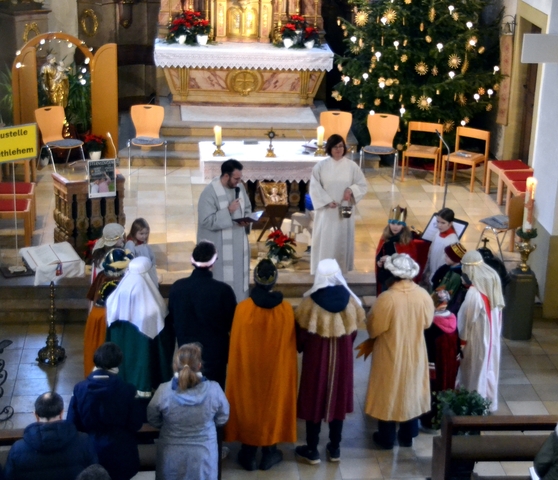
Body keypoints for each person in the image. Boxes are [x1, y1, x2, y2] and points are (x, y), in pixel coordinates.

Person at [225, 259, 297, 471]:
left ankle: (248, 452)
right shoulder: (285, 310)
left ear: (254, 280)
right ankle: (269, 451)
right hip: (275, 372)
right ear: (274, 281)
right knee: (273, 403)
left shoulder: (243, 309)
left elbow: (236, 342)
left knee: (248, 402)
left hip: (249, 370)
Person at [294, 258, 366, 464]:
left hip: (316, 361)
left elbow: (301, 339)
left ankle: (311, 449)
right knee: (337, 400)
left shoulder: (309, 304)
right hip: (342, 361)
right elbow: (352, 335)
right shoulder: (350, 301)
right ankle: (335, 448)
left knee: (313, 399)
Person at [365, 254, 434, 449]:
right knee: (410, 390)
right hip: (415, 352)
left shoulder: (387, 298)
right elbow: (428, 322)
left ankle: (386, 438)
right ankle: (408, 435)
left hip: (390, 353)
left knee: (389, 392)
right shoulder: (422, 295)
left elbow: (374, 327)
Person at [147, 343, 229, 480]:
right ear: (199, 366)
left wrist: (168, 425)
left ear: (175, 366)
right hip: (204, 454)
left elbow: (152, 417)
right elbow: (223, 418)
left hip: (170, 453)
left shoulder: (163, 391)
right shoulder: (214, 390)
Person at [68, 343, 144, 480]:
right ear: (118, 363)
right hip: (121, 453)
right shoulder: (128, 390)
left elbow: (72, 423)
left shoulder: (79, 389)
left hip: (90, 451)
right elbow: (136, 423)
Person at [167, 240, 236, 389]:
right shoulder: (223, 291)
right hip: (215, 358)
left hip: (186, 356)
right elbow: (233, 323)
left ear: (192, 260)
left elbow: (172, 318)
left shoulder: (177, 288)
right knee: (213, 396)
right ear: (213, 262)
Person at [106, 256, 175, 397]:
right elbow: (163, 344)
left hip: (119, 368)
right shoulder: (153, 308)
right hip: (143, 370)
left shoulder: (114, 300)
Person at [4, 392, 97, 480]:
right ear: (61, 413)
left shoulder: (17, 449)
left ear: (36, 415)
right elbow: (96, 474)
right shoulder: (84, 442)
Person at [309, 134, 368, 274]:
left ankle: (341, 270)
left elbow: (362, 185)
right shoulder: (321, 166)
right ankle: (323, 270)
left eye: (341, 146)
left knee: (342, 239)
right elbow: (314, 187)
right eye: (335, 146)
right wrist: (327, 201)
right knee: (327, 241)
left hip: (345, 208)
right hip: (326, 212)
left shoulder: (352, 166)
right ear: (329, 148)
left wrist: (351, 190)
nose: (338, 149)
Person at [456, 250, 505, 411]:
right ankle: (488, 402)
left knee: (474, 370)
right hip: (491, 334)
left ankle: (473, 403)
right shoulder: (492, 280)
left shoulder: (474, 293)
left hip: (477, 337)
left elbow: (465, 319)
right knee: (489, 366)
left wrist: (461, 341)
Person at [197, 159, 251, 301]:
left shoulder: (240, 189)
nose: (238, 182)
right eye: (236, 178)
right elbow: (206, 221)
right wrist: (228, 211)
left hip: (238, 247)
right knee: (220, 284)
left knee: (239, 283)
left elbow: (247, 208)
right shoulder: (209, 193)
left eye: (240, 178)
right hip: (219, 249)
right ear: (226, 176)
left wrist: (246, 219)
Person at [83, 248, 133, 377]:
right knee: (105, 351)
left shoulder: (101, 275)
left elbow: (91, 296)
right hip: (106, 317)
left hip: (95, 315)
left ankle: (92, 379)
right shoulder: (117, 281)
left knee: (93, 348)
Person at [420, 290, 460, 430]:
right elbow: (457, 344)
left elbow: (428, 349)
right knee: (448, 388)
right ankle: (445, 420)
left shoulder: (430, 324)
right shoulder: (453, 318)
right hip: (450, 364)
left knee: (433, 392)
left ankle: (430, 422)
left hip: (435, 366)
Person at [376, 205, 419, 295]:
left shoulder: (407, 240)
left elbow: (408, 262)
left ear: (403, 225)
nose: (395, 227)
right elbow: (380, 252)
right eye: (393, 223)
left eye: (398, 224)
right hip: (386, 275)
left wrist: (390, 258)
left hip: (399, 278)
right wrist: (379, 261)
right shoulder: (385, 236)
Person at [431, 242, 467, 314]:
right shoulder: (445, 268)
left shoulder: (456, 275)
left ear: (455, 258)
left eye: (447, 256)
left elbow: (448, 295)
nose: (445, 257)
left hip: (441, 307)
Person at [426, 208, 459, 284]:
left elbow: (451, 262)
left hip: (441, 276)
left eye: (443, 223)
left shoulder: (452, 241)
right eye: (437, 222)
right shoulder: (438, 233)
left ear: (450, 224)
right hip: (433, 270)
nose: (439, 225)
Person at [125, 217, 158, 285]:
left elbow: (151, 257)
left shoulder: (143, 243)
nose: (144, 236)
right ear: (134, 232)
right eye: (141, 233)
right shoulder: (130, 244)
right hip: (138, 275)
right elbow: (130, 261)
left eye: (146, 233)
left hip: (147, 272)